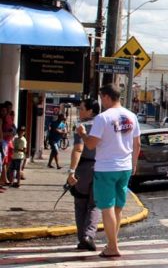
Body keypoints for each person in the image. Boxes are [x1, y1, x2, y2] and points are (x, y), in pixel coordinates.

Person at [81, 84, 141, 258]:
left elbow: (91, 144)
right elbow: (137, 144)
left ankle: (113, 247)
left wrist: (83, 133)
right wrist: (134, 164)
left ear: (107, 97)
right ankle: (112, 243)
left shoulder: (103, 118)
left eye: (102, 97)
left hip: (106, 168)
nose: (101, 101)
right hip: (125, 167)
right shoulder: (132, 116)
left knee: (107, 208)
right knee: (117, 208)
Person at [68, 99, 101, 252]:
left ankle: (83, 238)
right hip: (100, 168)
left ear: (90, 111)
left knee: (80, 204)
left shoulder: (82, 127)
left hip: (83, 169)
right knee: (94, 204)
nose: (79, 111)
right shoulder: (103, 125)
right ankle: (89, 235)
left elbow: (78, 150)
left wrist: (71, 171)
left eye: (82, 109)